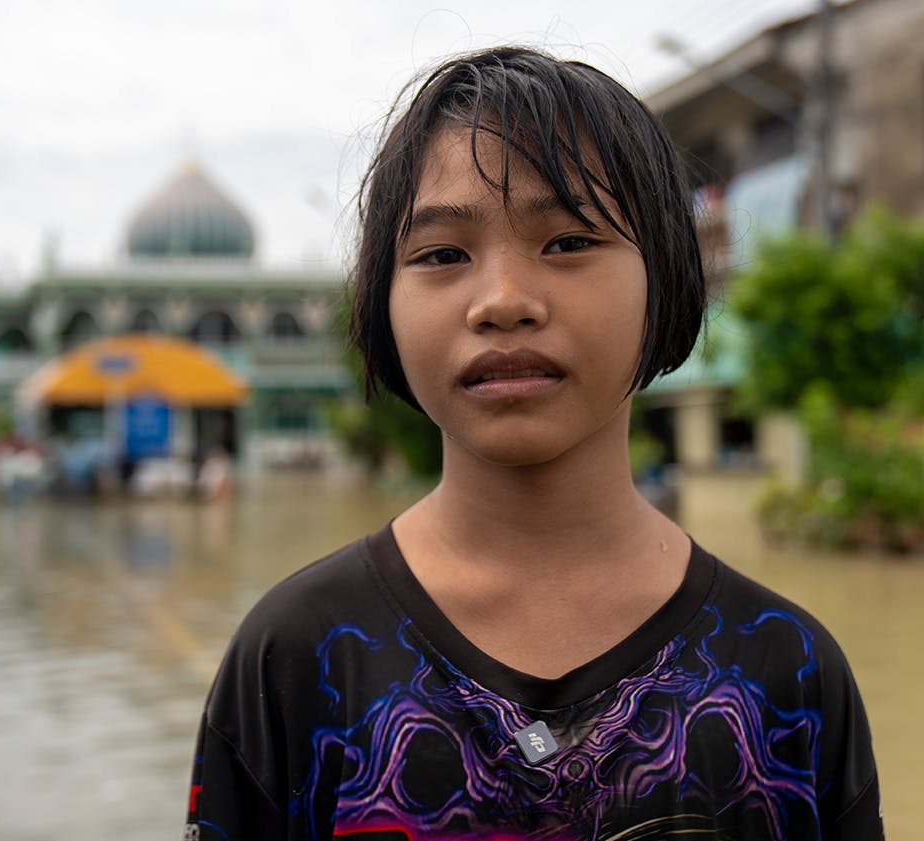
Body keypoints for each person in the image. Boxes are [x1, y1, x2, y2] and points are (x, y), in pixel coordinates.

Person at [184, 46, 883, 841]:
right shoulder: (296, 656)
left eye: (569, 242)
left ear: (665, 277)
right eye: (443, 255)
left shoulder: (788, 672)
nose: (504, 301)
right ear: (382, 304)